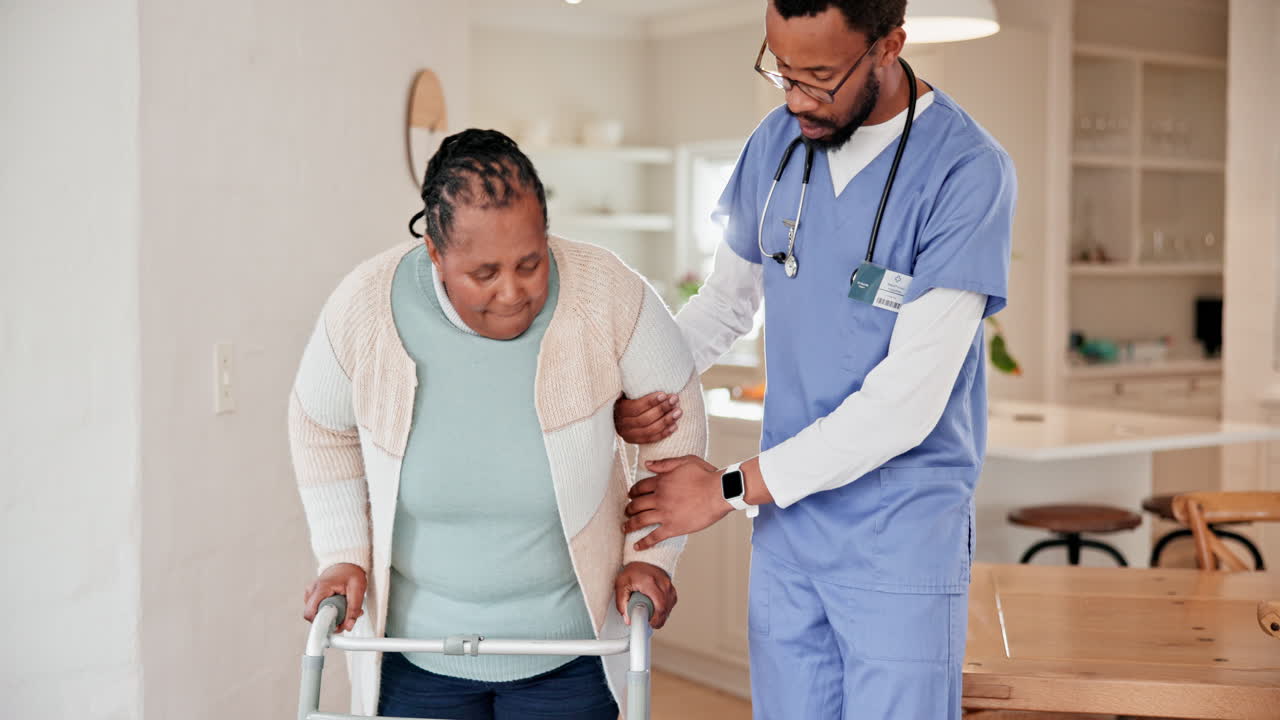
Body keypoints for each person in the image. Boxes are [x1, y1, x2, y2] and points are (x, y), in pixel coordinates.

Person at [615, 1, 1016, 718]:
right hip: (789, 532)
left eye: (820, 77)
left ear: (889, 45)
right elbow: (725, 305)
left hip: (898, 533)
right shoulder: (776, 144)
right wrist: (636, 386)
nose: (796, 98)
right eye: (781, 70)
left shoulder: (966, 171)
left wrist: (726, 489)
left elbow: (904, 407)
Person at [288, 129, 706, 719]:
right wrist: (342, 553)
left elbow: (677, 419)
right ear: (435, 254)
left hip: (573, 652)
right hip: (415, 655)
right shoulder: (367, 304)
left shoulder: (606, 290)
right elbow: (319, 426)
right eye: (484, 274)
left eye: (530, 263)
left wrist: (649, 557)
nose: (512, 293)